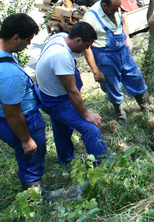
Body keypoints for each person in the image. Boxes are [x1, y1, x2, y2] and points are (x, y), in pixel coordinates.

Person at [36, 22, 108, 164]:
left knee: (61, 127)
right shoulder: (61, 56)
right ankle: (103, 164)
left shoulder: (61, 37)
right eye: (86, 45)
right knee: (90, 128)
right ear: (78, 40)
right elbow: (72, 91)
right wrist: (87, 115)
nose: (86, 49)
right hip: (56, 101)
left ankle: (66, 158)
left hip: (48, 94)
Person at [82, 0, 148, 123]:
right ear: (104, 5)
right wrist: (96, 71)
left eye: (118, 8)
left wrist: (127, 40)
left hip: (122, 52)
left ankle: (146, 106)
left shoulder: (114, 8)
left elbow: (123, 21)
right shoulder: (91, 18)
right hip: (105, 56)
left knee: (136, 78)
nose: (117, 10)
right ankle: (120, 114)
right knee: (113, 86)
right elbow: (86, 46)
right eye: (114, 9)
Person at [0, 13, 46, 190]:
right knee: (30, 155)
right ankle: (34, 196)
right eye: (27, 40)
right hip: (22, 120)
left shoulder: (5, 53)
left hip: (7, 117)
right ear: (15, 38)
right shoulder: (9, 73)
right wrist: (26, 139)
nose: (28, 44)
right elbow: (13, 113)